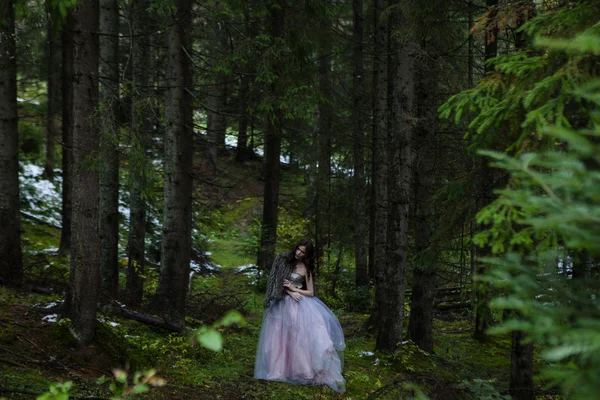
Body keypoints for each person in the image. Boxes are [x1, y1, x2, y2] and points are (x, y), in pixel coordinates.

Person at [254, 240, 346, 393]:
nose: (298, 253)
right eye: (298, 249)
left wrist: (295, 290)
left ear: (307, 255)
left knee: (300, 337)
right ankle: (279, 369)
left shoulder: (307, 268)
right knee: (280, 336)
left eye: (303, 252)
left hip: (300, 304)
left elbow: (310, 292)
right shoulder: (284, 261)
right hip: (281, 303)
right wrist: (289, 291)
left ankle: (300, 370)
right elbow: (277, 282)